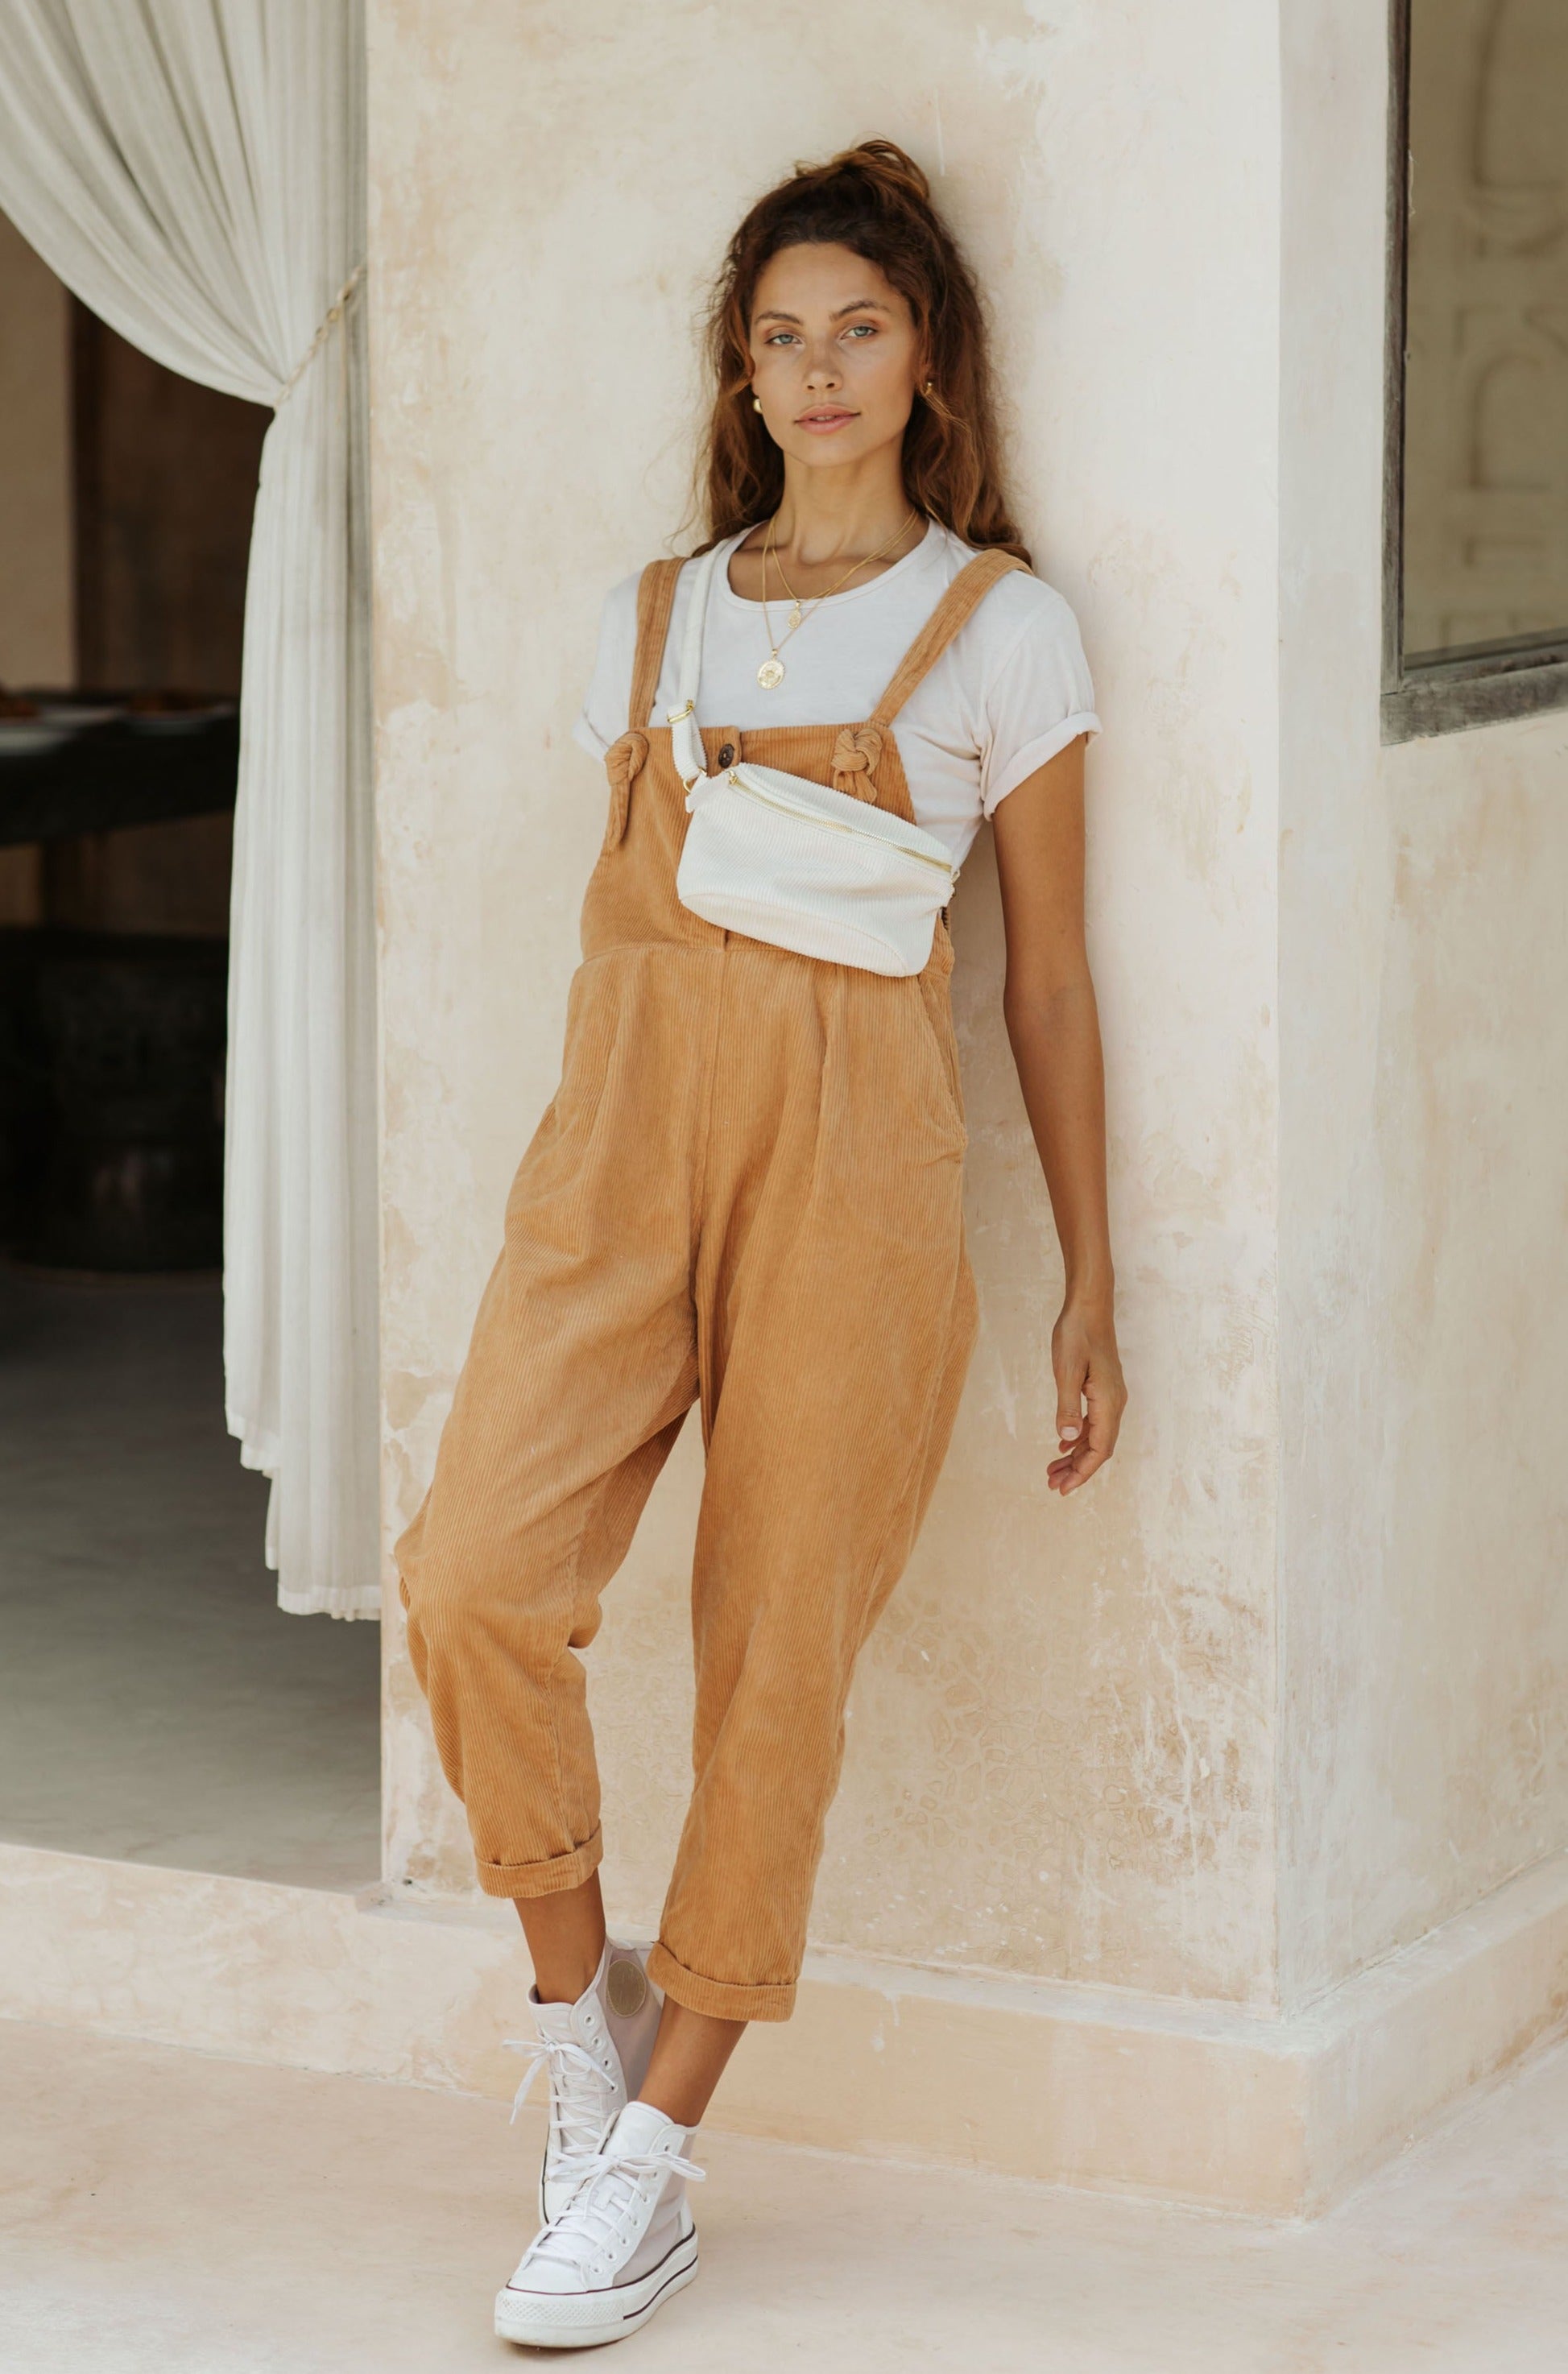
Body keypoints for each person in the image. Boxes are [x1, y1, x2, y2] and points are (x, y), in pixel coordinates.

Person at [396, 136, 1126, 2350]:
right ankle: (577, 2024)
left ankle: (650, 2154)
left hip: (857, 1178)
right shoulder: (658, 608)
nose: (818, 371)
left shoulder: (1003, 623)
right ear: (743, 366)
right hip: (615, 1149)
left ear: (927, 361)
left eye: (861, 329)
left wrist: (1098, 1277)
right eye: (782, 334)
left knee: (770, 1663)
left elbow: (1048, 983)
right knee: (468, 1577)